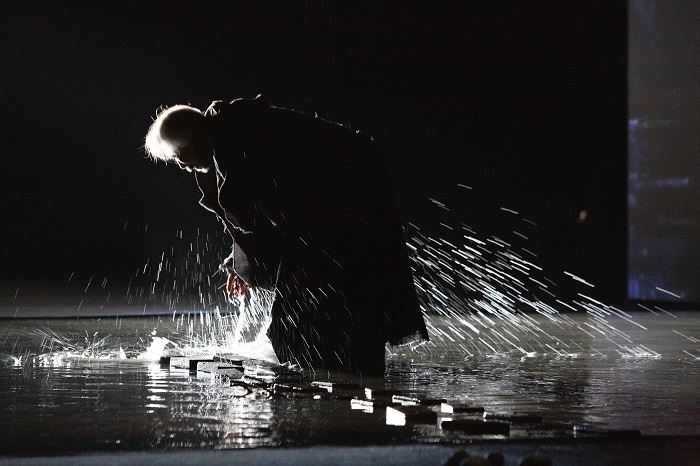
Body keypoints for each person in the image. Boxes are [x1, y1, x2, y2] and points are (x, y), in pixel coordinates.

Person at [144, 95, 428, 374]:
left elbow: (281, 218)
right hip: (328, 204)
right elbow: (260, 217)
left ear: (192, 143)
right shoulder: (227, 139)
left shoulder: (243, 139)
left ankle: (338, 373)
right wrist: (243, 259)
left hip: (349, 192)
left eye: (178, 158)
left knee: (307, 311)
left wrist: (256, 260)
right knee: (315, 302)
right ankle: (344, 361)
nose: (182, 166)